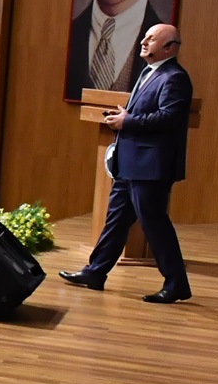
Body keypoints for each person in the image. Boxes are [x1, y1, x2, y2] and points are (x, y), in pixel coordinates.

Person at [60, 22, 193, 303]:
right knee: (116, 220)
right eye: (144, 37)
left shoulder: (175, 77)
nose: (144, 42)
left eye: (152, 39)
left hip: (151, 166)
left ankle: (176, 283)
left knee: (154, 223)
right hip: (131, 163)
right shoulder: (148, 72)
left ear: (170, 48)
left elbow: (170, 118)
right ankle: (95, 272)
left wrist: (127, 121)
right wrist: (126, 115)